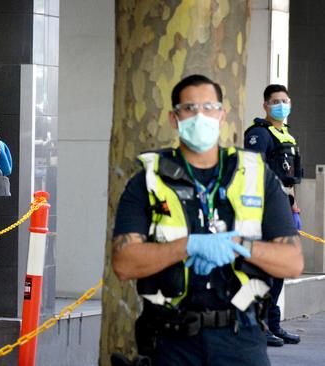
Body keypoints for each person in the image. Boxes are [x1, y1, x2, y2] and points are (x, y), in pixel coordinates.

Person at [111, 74, 303, 365]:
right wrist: (189, 245)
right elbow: (124, 264)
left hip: (242, 338)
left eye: (209, 107)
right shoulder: (148, 181)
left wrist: (238, 246)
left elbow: (292, 262)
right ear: (174, 118)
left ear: (222, 115)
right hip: (170, 341)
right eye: (189, 108)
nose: (200, 116)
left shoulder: (256, 176)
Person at [244, 84, 302, 346]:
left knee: (277, 269)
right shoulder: (259, 134)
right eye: (276, 101)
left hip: (284, 209)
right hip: (265, 211)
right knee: (265, 269)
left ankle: (273, 324)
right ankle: (259, 325)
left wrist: (294, 207)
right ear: (265, 105)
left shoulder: (286, 136)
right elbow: (254, 172)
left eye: (285, 101)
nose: (282, 105)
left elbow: (291, 179)